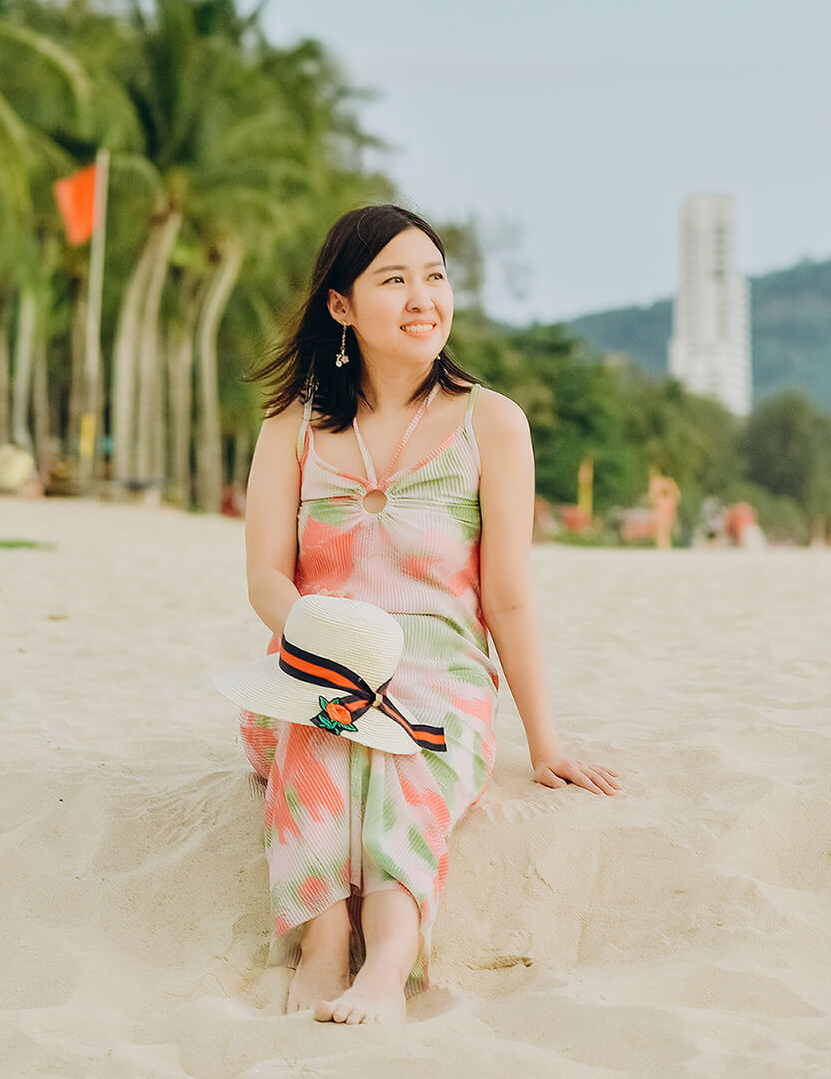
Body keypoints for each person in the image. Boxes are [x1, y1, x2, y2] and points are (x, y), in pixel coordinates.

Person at [237, 204, 618, 1026]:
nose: (423, 298)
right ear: (341, 306)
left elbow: (507, 596)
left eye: (435, 277)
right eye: (395, 279)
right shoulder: (291, 425)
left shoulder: (491, 423)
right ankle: (324, 940)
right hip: (312, 661)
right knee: (323, 734)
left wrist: (545, 743)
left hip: (440, 676)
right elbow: (266, 575)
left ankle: (389, 963)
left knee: (401, 759)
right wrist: (324, 642)